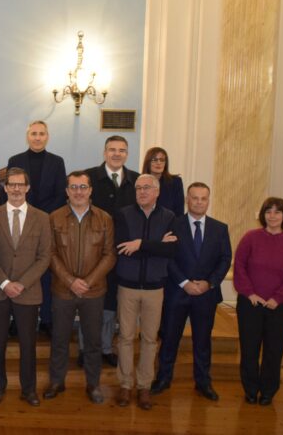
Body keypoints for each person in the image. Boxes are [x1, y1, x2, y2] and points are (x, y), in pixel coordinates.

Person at [152, 182, 232, 401]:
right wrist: (185, 282)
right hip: (177, 292)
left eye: (203, 198)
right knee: (169, 338)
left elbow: (225, 259)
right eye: (194, 198)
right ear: (187, 200)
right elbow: (167, 257)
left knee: (202, 340)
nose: (199, 202)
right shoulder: (173, 224)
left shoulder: (220, 228)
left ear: (208, 200)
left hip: (206, 294)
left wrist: (209, 283)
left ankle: (203, 382)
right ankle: (163, 378)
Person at [43, 170, 116, 405]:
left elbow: (109, 255)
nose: (78, 192)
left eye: (82, 187)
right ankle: (57, 381)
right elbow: (50, 253)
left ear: (90, 190)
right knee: (60, 339)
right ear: (67, 191)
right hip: (63, 290)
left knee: (93, 341)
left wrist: (89, 281)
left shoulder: (104, 218)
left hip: (93, 291)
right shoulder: (54, 218)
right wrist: (70, 281)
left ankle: (93, 384)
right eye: (73, 187)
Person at [0, 168, 51, 407]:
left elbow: (44, 257)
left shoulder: (42, 218)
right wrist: (5, 283)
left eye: (20, 185)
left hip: (28, 292)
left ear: (27, 188)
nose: (15, 189)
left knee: (28, 345)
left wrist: (21, 283)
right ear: (5, 187)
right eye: (11, 184)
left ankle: (28, 389)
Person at [113, 174, 177, 410]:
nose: (141, 192)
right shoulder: (123, 214)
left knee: (150, 339)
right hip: (127, 286)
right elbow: (121, 247)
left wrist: (139, 243)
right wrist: (155, 245)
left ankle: (144, 386)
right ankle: (125, 384)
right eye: (138, 188)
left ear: (157, 191)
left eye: (147, 188)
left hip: (155, 287)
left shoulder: (169, 217)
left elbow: (171, 251)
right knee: (126, 338)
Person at [234, 197, 283, 406]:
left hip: (279, 308)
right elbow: (239, 267)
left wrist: (278, 298)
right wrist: (250, 293)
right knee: (249, 349)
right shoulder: (250, 238)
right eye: (268, 212)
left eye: (277, 212)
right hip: (250, 304)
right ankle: (250, 388)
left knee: (274, 350)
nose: (272, 216)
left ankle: (268, 391)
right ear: (263, 215)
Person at [83, 135, 139, 368]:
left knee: (110, 304)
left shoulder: (136, 180)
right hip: (92, 251)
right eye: (112, 150)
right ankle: (87, 350)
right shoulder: (89, 178)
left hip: (125, 253)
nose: (117, 154)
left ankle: (105, 347)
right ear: (104, 152)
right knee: (89, 301)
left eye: (122, 150)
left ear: (127, 154)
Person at [7, 120, 67, 335]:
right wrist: (27, 212)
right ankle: (16, 318)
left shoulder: (57, 162)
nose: (38, 137)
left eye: (41, 133)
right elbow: (13, 191)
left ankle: (46, 318)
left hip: (47, 222)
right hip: (19, 220)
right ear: (28, 136)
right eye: (34, 133)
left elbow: (61, 194)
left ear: (47, 136)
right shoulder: (15, 160)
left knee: (45, 268)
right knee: (19, 268)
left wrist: (39, 215)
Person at [141, 146, 184, 217]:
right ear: (148, 162)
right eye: (154, 160)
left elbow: (179, 212)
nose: (158, 163)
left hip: (168, 226)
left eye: (162, 160)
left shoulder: (175, 182)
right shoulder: (139, 182)